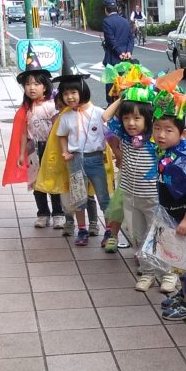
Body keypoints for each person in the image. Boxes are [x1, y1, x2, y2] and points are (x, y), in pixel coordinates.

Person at [150, 85, 186, 316]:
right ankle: (184, 294)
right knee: (178, 259)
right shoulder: (166, 150)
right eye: (157, 128)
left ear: (183, 133)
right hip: (170, 213)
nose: (161, 134)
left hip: (183, 216)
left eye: (168, 130)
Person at [103, 66, 159, 274]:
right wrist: (123, 97)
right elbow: (106, 118)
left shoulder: (154, 139)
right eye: (126, 118)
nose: (130, 123)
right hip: (130, 195)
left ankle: (162, 271)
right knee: (137, 234)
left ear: (148, 119)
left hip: (152, 197)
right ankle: (146, 271)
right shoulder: (125, 138)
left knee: (155, 234)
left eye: (137, 118)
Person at [54, 74, 119, 248]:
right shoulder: (65, 117)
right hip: (75, 160)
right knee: (78, 197)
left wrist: (121, 98)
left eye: (73, 92)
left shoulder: (97, 112)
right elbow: (61, 135)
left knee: (104, 196)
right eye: (65, 94)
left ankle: (109, 231)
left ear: (82, 90)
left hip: (96, 159)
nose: (69, 97)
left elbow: (108, 122)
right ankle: (82, 229)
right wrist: (65, 152)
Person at [1, 50, 63, 228]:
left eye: (36, 84)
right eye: (28, 84)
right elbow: (23, 133)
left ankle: (58, 213)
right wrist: (21, 154)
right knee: (36, 183)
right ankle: (43, 213)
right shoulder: (26, 109)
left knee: (52, 180)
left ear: (45, 86)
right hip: (32, 149)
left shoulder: (52, 107)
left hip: (52, 149)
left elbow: (60, 129)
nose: (32, 88)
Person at [102, 0, 134, 103]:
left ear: (106, 9)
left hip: (113, 58)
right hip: (126, 59)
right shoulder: (125, 21)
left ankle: (111, 105)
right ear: (117, 9)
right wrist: (128, 52)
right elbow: (131, 38)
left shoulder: (106, 21)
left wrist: (119, 53)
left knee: (111, 85)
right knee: (125, 83)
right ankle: (124, 103)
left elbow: (110, 40)